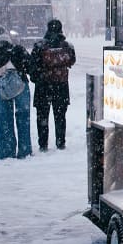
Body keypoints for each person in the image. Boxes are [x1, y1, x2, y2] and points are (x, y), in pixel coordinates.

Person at [0, 27, 33, 160]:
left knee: (5, 119)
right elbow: (31, 66)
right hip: (21, 87)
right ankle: (24, 150)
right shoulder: (18, 50)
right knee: (23, 118)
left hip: (3, 90)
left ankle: (6, 151)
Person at [28, 19, 76, 151]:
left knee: (42, 116)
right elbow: (72, 61)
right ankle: (60, 142)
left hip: (43, 87)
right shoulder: (67, 46)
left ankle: (43, 144)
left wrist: (37, 77)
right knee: (60, 116)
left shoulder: (39, 46)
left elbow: (33, 66)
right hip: (61, 86)